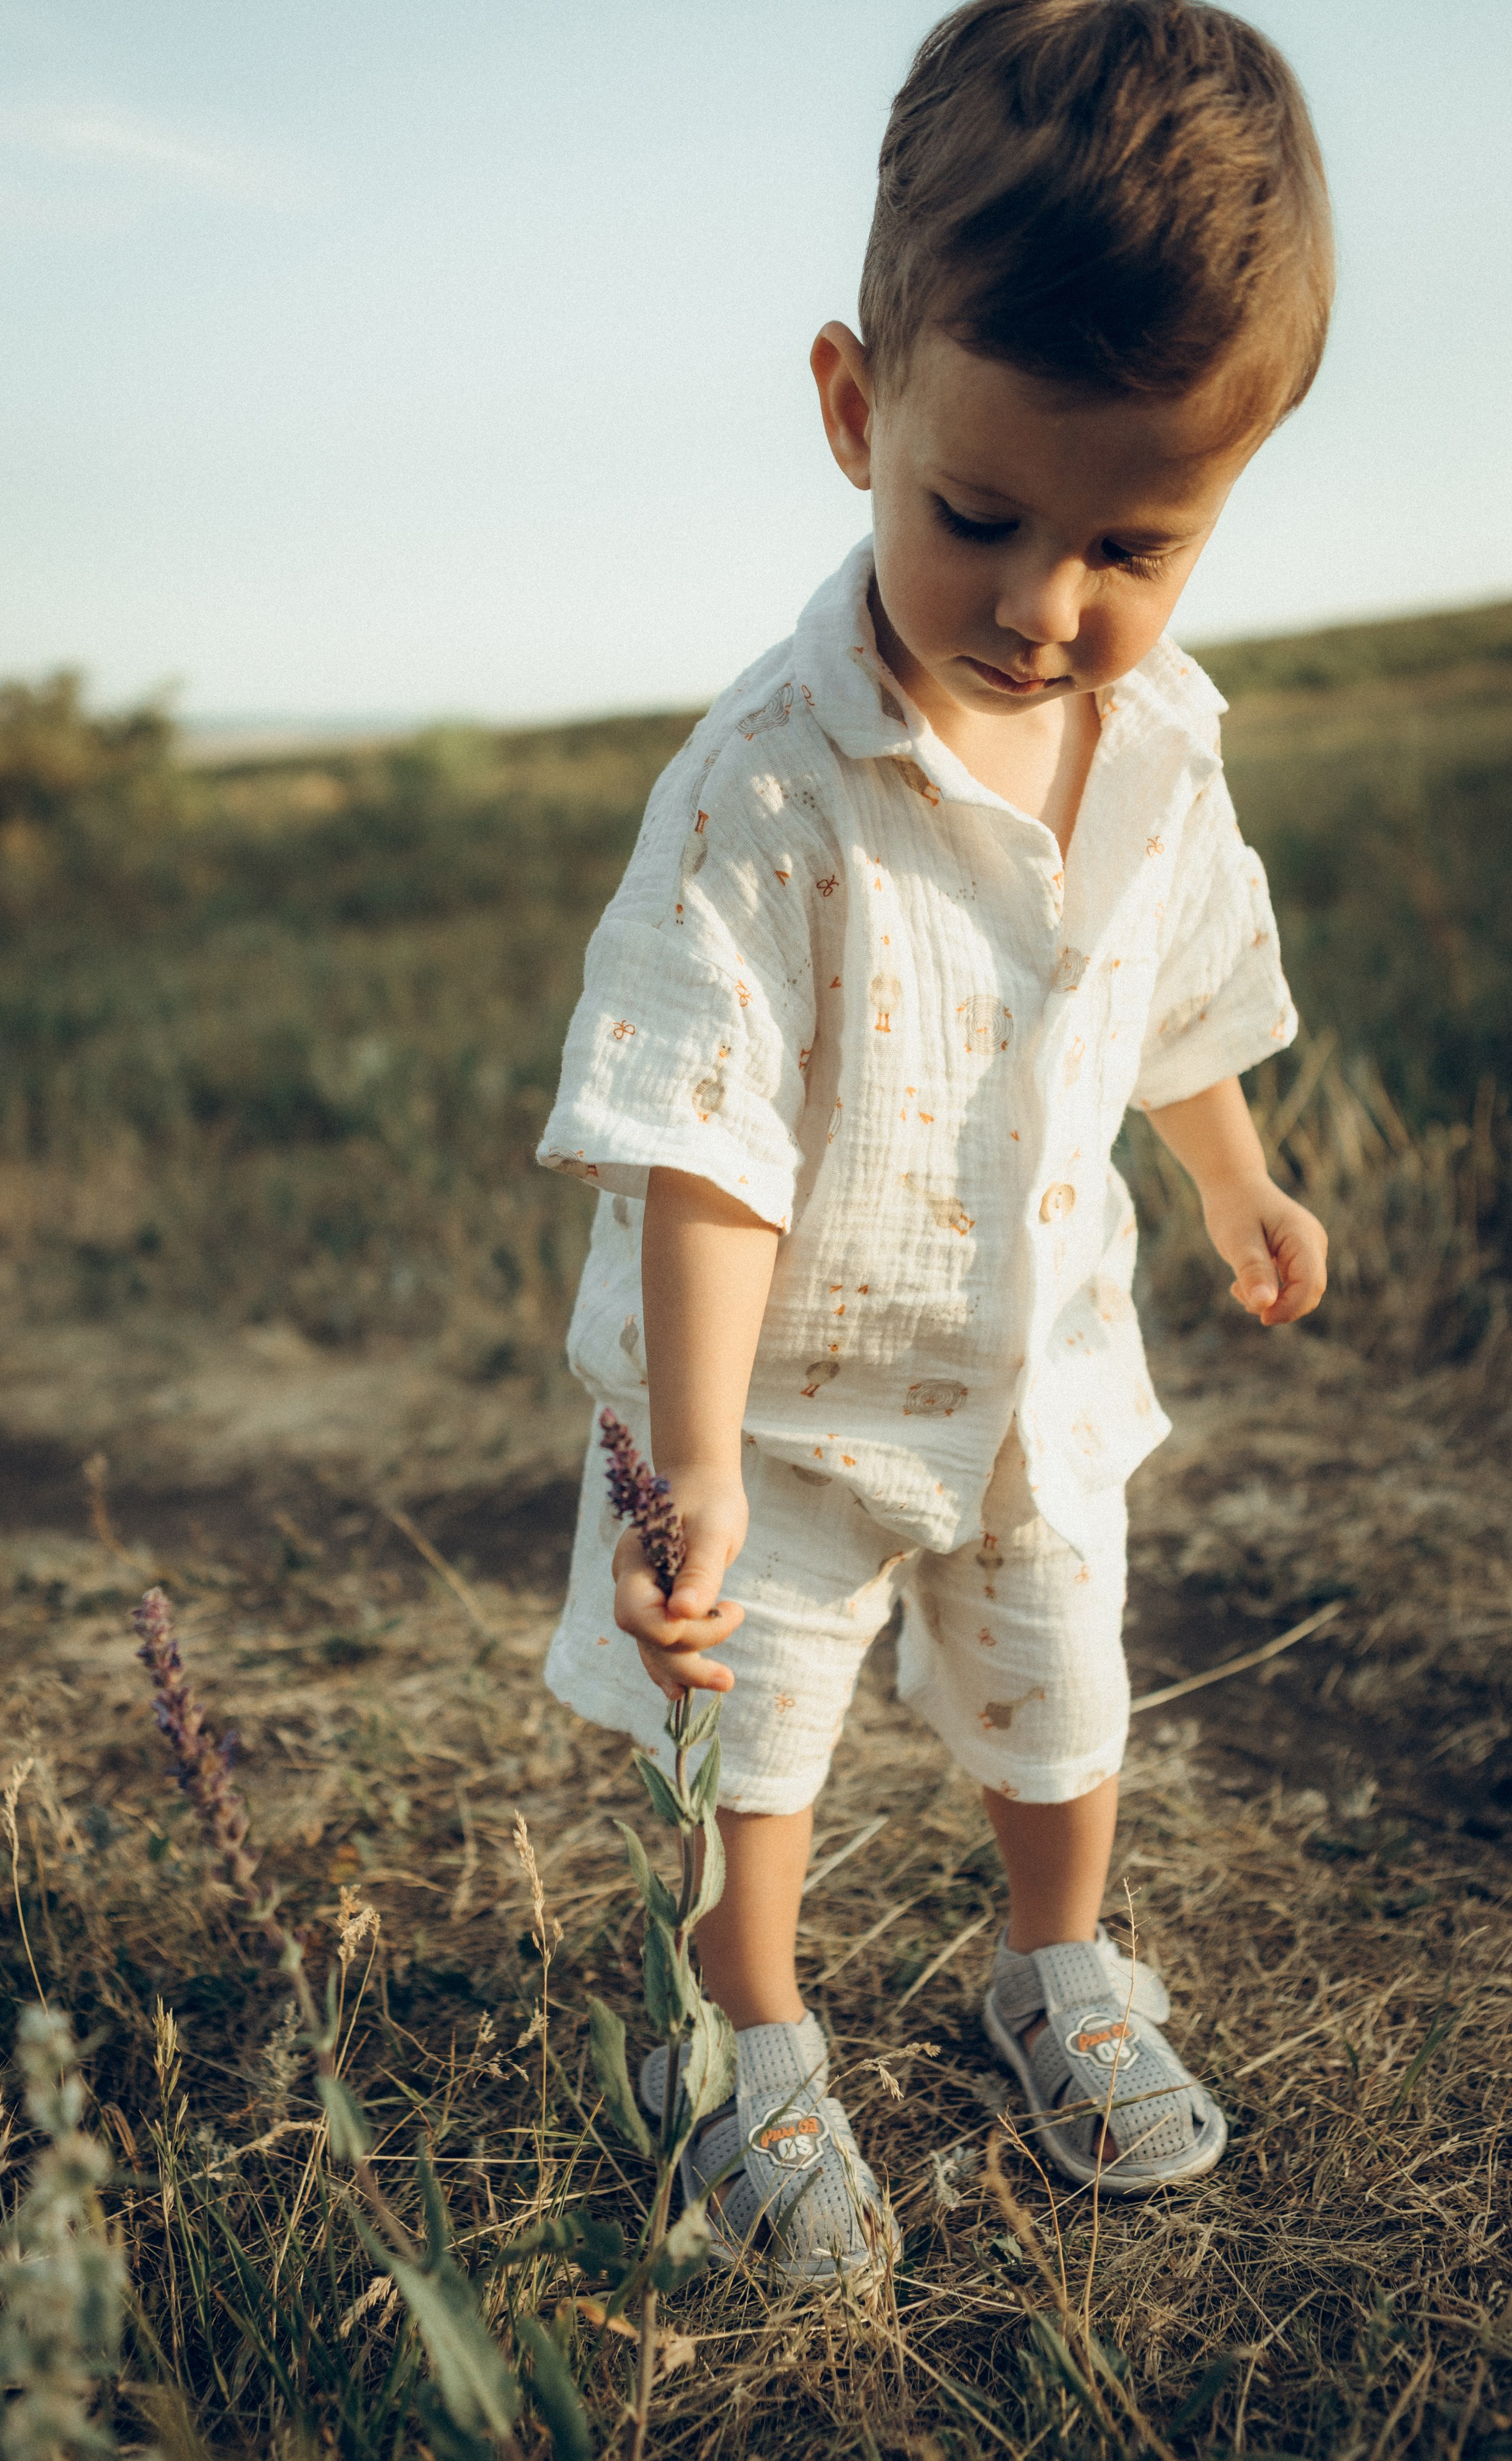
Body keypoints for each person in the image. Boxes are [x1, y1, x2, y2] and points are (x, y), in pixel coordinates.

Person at [538, 0, 1333, 2282]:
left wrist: (1231, 1169)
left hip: (1031, 1373)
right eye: (978, 517)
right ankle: (744, 2035)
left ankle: (1057, 1963)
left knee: (1060, 1687)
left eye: (1134, 546)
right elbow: (702, 1148)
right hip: (775, 1408)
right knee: (757, 1745)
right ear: (855, 410)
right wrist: (688, 1464)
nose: (1045, 606)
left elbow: (1165, 981)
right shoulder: (760, 793)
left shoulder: (1155, 743)